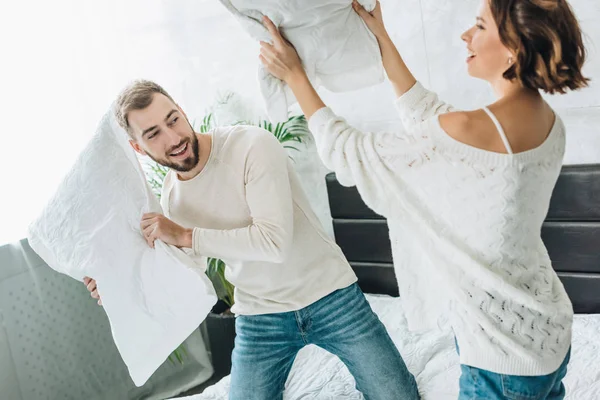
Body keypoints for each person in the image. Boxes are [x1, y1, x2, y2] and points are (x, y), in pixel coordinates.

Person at [258, 0, 589, 398]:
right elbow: (431, 117)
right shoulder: (549, 123)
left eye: (480, 26)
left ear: (513, 50)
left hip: (503, 361)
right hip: (548, 333)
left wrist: (296, 77)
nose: (466, 35)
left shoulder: (467, 130)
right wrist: (381, 37)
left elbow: (351, 151)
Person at [84, 80, 419, 400]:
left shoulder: (251, 145)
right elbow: (188, 268)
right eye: (153, 134)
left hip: (330, 296)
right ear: (137, 147)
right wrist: (119, 287)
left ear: (182, 110)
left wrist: (185, 235)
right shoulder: (173, 197)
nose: (173, 138)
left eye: (173, 120)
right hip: (260, 317)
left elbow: (273, 243)